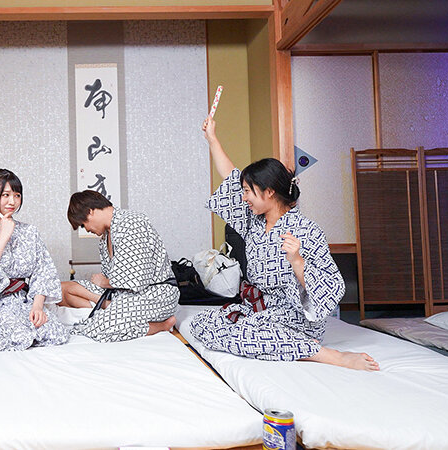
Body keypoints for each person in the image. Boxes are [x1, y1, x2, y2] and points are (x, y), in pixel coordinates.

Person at [189, 117, 379, 371]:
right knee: (202, 325)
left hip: (296, 317)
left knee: (244, 336)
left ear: (268, 192)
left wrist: (297, 261)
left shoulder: (307, 230)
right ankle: (290, 344)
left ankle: (329, 355)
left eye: (248, 191)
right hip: (260, 311)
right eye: (243, 191)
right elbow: (230, 176)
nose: (243, 197)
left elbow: (331, 289)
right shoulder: (253, 222)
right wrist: (212, 138)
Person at [0, 169, 69, 351]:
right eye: (5, 195)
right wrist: (4, 235)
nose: (12, 201)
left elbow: (43, 271)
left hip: (21, 301)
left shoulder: (29, 231)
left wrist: (38, 306)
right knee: (18, 333)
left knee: (55, 332)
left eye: (17, 195)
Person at [60, 191, 179, 342]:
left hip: (154, 294)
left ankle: (161, 325)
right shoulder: (105, 237)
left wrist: (104, 282)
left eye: (83, 225)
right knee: (63, 289)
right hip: (121, 294)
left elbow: (135, 280)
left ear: (90, 212)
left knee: (99, 328)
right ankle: (111, 307)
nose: (87, 229)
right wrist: (104, 284)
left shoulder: (131, 223)